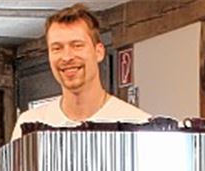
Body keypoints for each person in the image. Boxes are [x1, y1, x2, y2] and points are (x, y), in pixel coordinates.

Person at [10, 3, 150, 141]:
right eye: (57, 48)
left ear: (99, 52)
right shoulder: (29, 126)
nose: (67, 57)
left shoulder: (137, 124)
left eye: (77, 45)